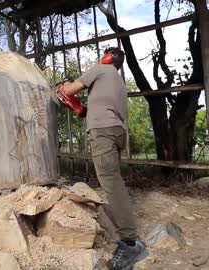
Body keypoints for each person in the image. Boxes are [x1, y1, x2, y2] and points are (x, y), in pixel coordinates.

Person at [58, 47, 148, 270]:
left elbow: (69, 90)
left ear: (108, 58)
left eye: (104, 56)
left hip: (103, 132)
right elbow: (100, 109)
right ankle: (129, 237)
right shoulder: (118, 83)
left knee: (110, 182)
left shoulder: (101, 69)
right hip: (116, 132)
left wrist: (63, 87)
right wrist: (80, 109)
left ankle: (131, 242)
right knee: (113, 180)